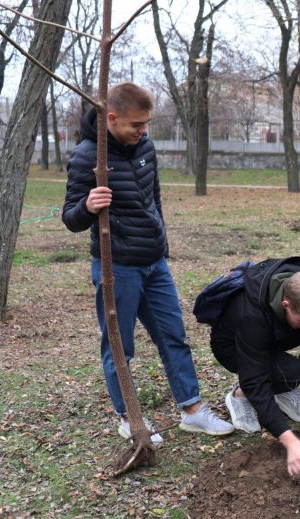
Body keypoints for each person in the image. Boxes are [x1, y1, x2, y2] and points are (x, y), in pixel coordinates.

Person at [62, 82, 234, 444]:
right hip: (117, 269)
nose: (143, 131)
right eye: (136, 125)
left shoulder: (145, 148)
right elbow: (70, 218)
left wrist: (162, 242)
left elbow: (153, 200)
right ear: (112, 118)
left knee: (174, 336)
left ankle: (192, 411)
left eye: (146, 124)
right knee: (120, 347)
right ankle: (130, 419)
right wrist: (88, 206)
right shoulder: (86, 156)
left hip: (155, 264)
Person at [205, 257, 300, 476]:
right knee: (291, 372)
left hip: (273, 332)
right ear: (285, 304)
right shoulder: (252, 315)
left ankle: (286, 387)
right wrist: (288, 439)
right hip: (233, 346)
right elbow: (255, 379)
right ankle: (240, 396)